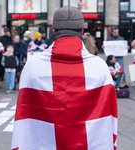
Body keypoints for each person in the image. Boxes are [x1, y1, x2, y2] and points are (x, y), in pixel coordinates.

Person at [12, 6, 117, 150]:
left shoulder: (32, 66)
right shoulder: (100, 66)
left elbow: (25, 112)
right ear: (81, 31)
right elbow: (108, 112)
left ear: (54, 31)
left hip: (45, 144)